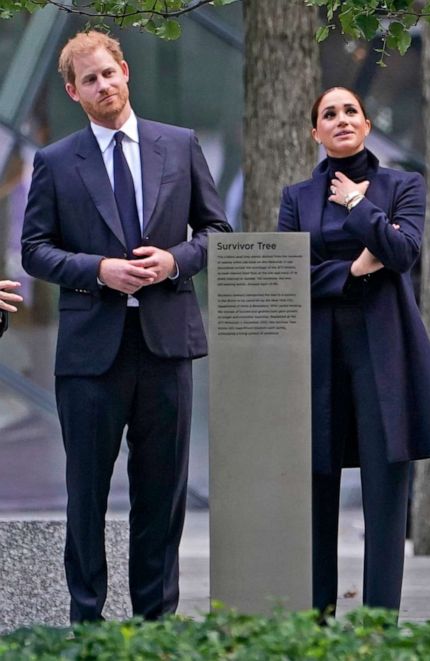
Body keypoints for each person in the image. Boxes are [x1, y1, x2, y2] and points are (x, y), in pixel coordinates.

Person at [20, 31, 231, 621]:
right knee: (86, 495)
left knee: (161, 495)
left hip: (165, 344)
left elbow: (216, 232)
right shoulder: (55, 161)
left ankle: (154, 624)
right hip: (91, 354)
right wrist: (98, 271)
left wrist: (174, 261)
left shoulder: (180, 144)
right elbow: (35, 249)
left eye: (108, 73)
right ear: (73, 92)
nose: (103, 85)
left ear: (126, 71)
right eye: (89, 80)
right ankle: (87, 622)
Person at [278, 87, 430, 618]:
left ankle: (380, 626)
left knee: (385, 495)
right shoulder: (297, 197)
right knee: (316, 489)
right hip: (318, 356)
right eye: (328, 114)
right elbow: (288, 277)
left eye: (349, 111)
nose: (340, 120)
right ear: (315, 132)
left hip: (386, 354)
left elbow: (402, 253)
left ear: (367, 124)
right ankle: (315, 622)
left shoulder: (402, 185)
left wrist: (357, 204)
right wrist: (352, 270)